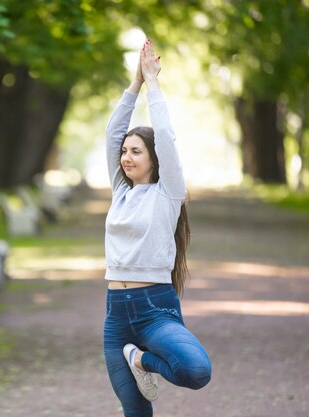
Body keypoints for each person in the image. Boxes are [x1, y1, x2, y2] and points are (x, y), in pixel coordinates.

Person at [103, 38, 212, 417]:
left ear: (154, 158)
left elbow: (164, 136)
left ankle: (142, 360)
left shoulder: (168, 193)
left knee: (196, 370)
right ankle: (134, 358)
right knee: (135, 413)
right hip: (116, 315)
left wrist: (154, 84)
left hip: (155, 310)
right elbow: (111, 133)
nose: (126, 156)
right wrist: (133, 83)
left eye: (136, 151)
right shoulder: (120, 191)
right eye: (125, 151)